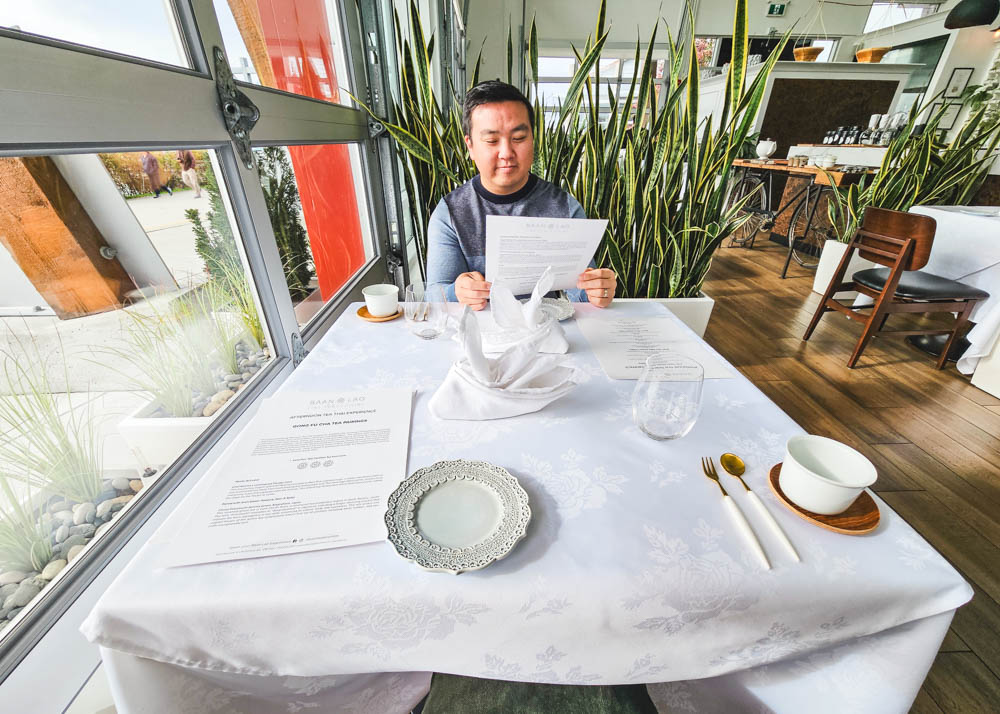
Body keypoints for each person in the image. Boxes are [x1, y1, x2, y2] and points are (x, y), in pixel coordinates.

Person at [425, 80, 616, 310]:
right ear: (471, 147)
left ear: (533, 140)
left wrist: (597, 290)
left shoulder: (565, 208)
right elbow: (435, 295)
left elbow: (580, 294)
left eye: (518, 138)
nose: (506, 153)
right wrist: (457, 291)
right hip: (479, 335)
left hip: (548, 332)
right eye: (491, 141)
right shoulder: (450, 213)